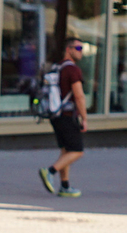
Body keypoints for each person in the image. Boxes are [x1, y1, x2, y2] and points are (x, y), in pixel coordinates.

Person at [36, 38, 89, 200]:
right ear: (68, 49)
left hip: (55, 115)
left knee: (66, 150)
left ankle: (65, 187)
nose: (81, 51)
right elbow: (79, 96)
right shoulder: (73, 70)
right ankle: (50, 171)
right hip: (67, 116)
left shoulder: (56, 67)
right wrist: (84, 118)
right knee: (77, 151)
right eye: (78, 47)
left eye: (82, 48)